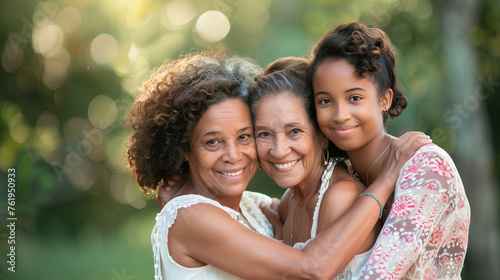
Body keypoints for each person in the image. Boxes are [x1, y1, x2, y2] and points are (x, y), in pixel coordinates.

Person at [126, 49, 430, 279]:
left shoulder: (247, 207)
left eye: (245, 136)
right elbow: (312, 267)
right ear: (182, 149)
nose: (233, 155)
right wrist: (387, 177)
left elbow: (289, 210)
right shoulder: (193, 216)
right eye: (212, 142)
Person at [308, 21, 471, 279]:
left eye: (354, 98)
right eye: (325, 101)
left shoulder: (425, 167)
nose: (339, 115)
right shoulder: (341, 171)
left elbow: (379, 274)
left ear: (384, 100)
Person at [250, 56, 380, 278]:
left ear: (322, 136)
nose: (279, 150)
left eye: (295, 131)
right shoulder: (289, 201)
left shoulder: (340, 196)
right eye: (264, 134)